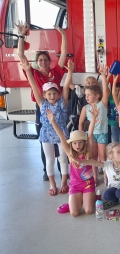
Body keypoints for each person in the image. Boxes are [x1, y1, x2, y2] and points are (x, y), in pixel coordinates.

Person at [17, 22, 67, 181]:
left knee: (60, 138)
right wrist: (21, 36)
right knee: (44, 138)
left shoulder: (56, 72)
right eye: (40, 60)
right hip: (42, 108)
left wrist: (63, 35)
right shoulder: (34, 74)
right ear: (37, 62)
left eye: (45, 59)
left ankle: (62, 168)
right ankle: (47, 170)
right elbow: (21, 56)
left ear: (49, 61)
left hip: (58, 108)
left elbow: (64, 53)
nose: (43, 62)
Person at [20, 58, 72, 196]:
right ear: (44, 95)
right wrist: (28, 71)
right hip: (46, 135)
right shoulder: (42, 104)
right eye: (49, 93)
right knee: (49, 159)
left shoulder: (62, 103)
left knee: (63, 158)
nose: (52, 95)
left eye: (54, 93)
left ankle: (64, 182)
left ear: (58, 94)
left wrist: (70, 72)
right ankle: (52, 184)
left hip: (61, 134)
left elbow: (66, 87)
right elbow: (33, 85)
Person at [47, 105, 97, 216]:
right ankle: (75, 202)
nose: (77, 145)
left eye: (80, 142)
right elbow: (61, 136)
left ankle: (90, 197)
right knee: (74, 213)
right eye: (74, 143)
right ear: (71, 144)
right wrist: (53, 121)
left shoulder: (88, 151)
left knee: (89, 210)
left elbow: (90, 133)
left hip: (88, 184)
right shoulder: (70, 153)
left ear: (84, 143)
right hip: (75, 185)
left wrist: (93, 119)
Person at [78, 65, 110, 185]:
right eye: (85, 95)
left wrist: (103, 75)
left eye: (89, 95)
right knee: (93, 156)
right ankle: (95, 176)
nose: (86, 97)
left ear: (97, 95)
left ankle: (106, 175)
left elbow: (106, 91)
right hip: (91, 135)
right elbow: (80, 123)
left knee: (103, 157)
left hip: (102, 134)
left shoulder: (103, 104)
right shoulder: (85, 108)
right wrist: (81, 136)